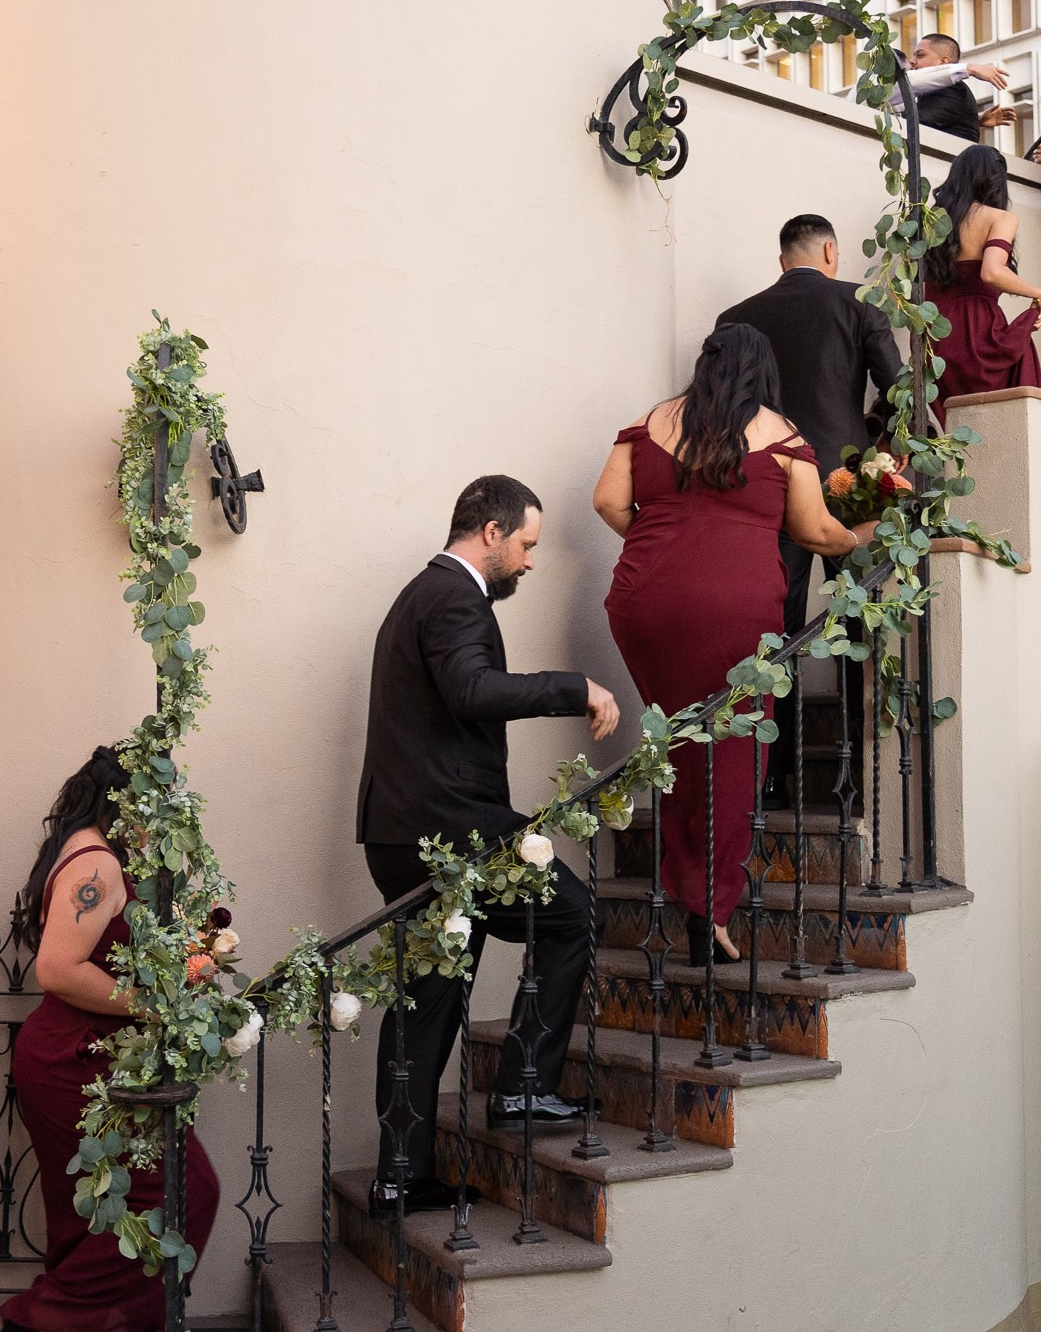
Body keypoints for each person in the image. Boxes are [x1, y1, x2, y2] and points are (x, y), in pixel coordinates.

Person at [355, 475, 621, 1208]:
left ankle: (399, 1174)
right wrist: (577, 687)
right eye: (528, 543)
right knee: (573, 916)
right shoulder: (451, 595)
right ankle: (525, 1086)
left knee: (428, 997)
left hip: (403, 830)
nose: (531, 561)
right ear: (493, 532)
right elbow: (472, 691)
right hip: (448, 828)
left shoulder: (420, 595)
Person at [597, 326, 865, 961]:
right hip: (732, 611)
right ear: (762, 371)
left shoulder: (648, 422)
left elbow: (608, 502)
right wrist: (861, 539)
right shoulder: (781, 434)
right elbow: (815, 530)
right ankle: (710, 912)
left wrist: (663, 537)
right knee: (736, 750)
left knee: (685, 741)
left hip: (644, 602)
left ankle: (687, 888)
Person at [0, 747, 218, 1332]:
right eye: (160, 797)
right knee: (185, 1189)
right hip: (70, 1059)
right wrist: (154, 1007)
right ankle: (44, 1317)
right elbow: (59, 968)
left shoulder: (106, 854)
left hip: (96, 1057)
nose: (169, 811)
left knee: (86, 1217)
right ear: (127, 797)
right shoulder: (95, 862)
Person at [717, 214, 904, 808]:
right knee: (854, 617)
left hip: (768, 484)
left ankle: (773, 771)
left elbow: (725, 411)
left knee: (779, 626)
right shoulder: (859, 301)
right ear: (831, 251)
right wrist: (878, 452)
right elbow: (900, 393)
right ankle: (850, 771)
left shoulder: (737, 318)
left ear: (781, 260)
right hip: (844, 485)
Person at [923, 145, 1041, 424]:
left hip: (935, 335)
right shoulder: (1000, 218)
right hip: (976, 329)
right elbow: (992, 272)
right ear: (995, 179)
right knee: (1003, 420)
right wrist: (1038, 293)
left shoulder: (929, 220)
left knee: (959, 427)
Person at [902, 33, 1017, 143]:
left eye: (920, 55)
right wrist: (976, 120)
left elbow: (918, 120)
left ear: (943, 62)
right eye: (913, 55)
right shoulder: (937, 90)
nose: (912, 61)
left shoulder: (951, 89)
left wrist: (886, 111)